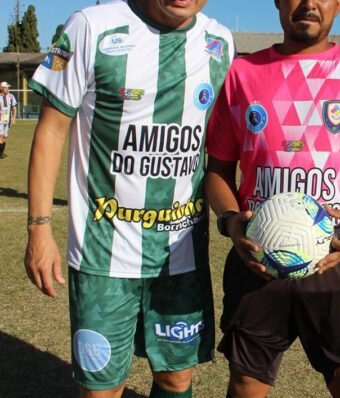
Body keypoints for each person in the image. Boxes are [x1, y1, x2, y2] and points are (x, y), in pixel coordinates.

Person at [23, 1, 234, 397]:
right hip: (102, 254)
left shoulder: (219, 42)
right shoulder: (89, 27)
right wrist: (39, 228)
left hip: (180, 253)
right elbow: (51, 129)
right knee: (102, 387)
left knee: (176, 377)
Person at [205, 0, 340, 396]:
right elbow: (217, 170)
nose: (310, 3)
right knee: (245, 383)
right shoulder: (241, 73)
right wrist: (229, 221)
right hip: (257, 257)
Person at [0, 81, 17, 158]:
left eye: (8, 88)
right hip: (0, 120)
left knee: (5, 136)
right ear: (1, 88)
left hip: (8, 120)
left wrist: (14, 118)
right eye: (6, 87)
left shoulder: (11, 96)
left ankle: (1, 152)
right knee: (0, 136)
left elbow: (14, 108)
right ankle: (0, 154)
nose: (8, 89)